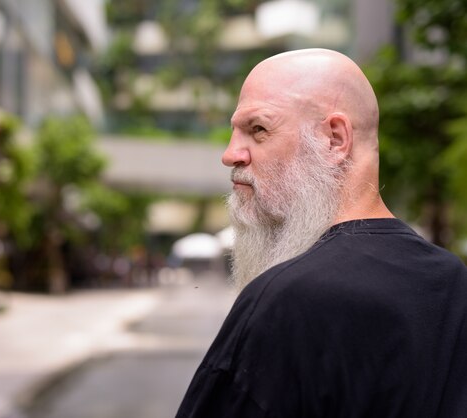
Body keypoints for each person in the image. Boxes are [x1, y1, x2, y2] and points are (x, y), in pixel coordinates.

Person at [176, 48, 467, 417]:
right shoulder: (452, 280)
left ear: (334, 139)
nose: (231, 153)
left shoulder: (285, 299)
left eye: (258, 130)